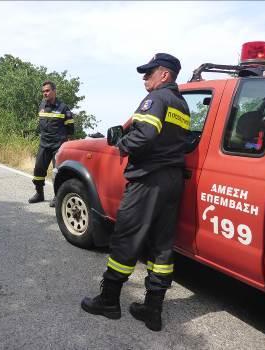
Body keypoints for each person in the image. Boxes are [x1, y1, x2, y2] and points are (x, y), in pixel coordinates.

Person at [81, 53, 190, 331]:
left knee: (126, 239)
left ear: (164, 75)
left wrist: (122, 144)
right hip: (173, 181)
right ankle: (152, 310)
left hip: (147, 181)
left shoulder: (156, 99)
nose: (145, 77)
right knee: (162, 246)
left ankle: (109, 301)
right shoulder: (182, 104)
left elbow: (144, 136)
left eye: (149, 72)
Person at [28, 81, 74, 207]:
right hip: (44, 144)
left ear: (54, 91)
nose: (45, 93)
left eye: (47, 91)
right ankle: (39, 194)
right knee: (38, 169)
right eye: (43, 91)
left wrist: (67, 145)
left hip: (58, 146)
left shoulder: (63, 108)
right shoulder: (42, 105)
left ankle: (57, 196)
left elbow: (70, 128)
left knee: (57, 173)